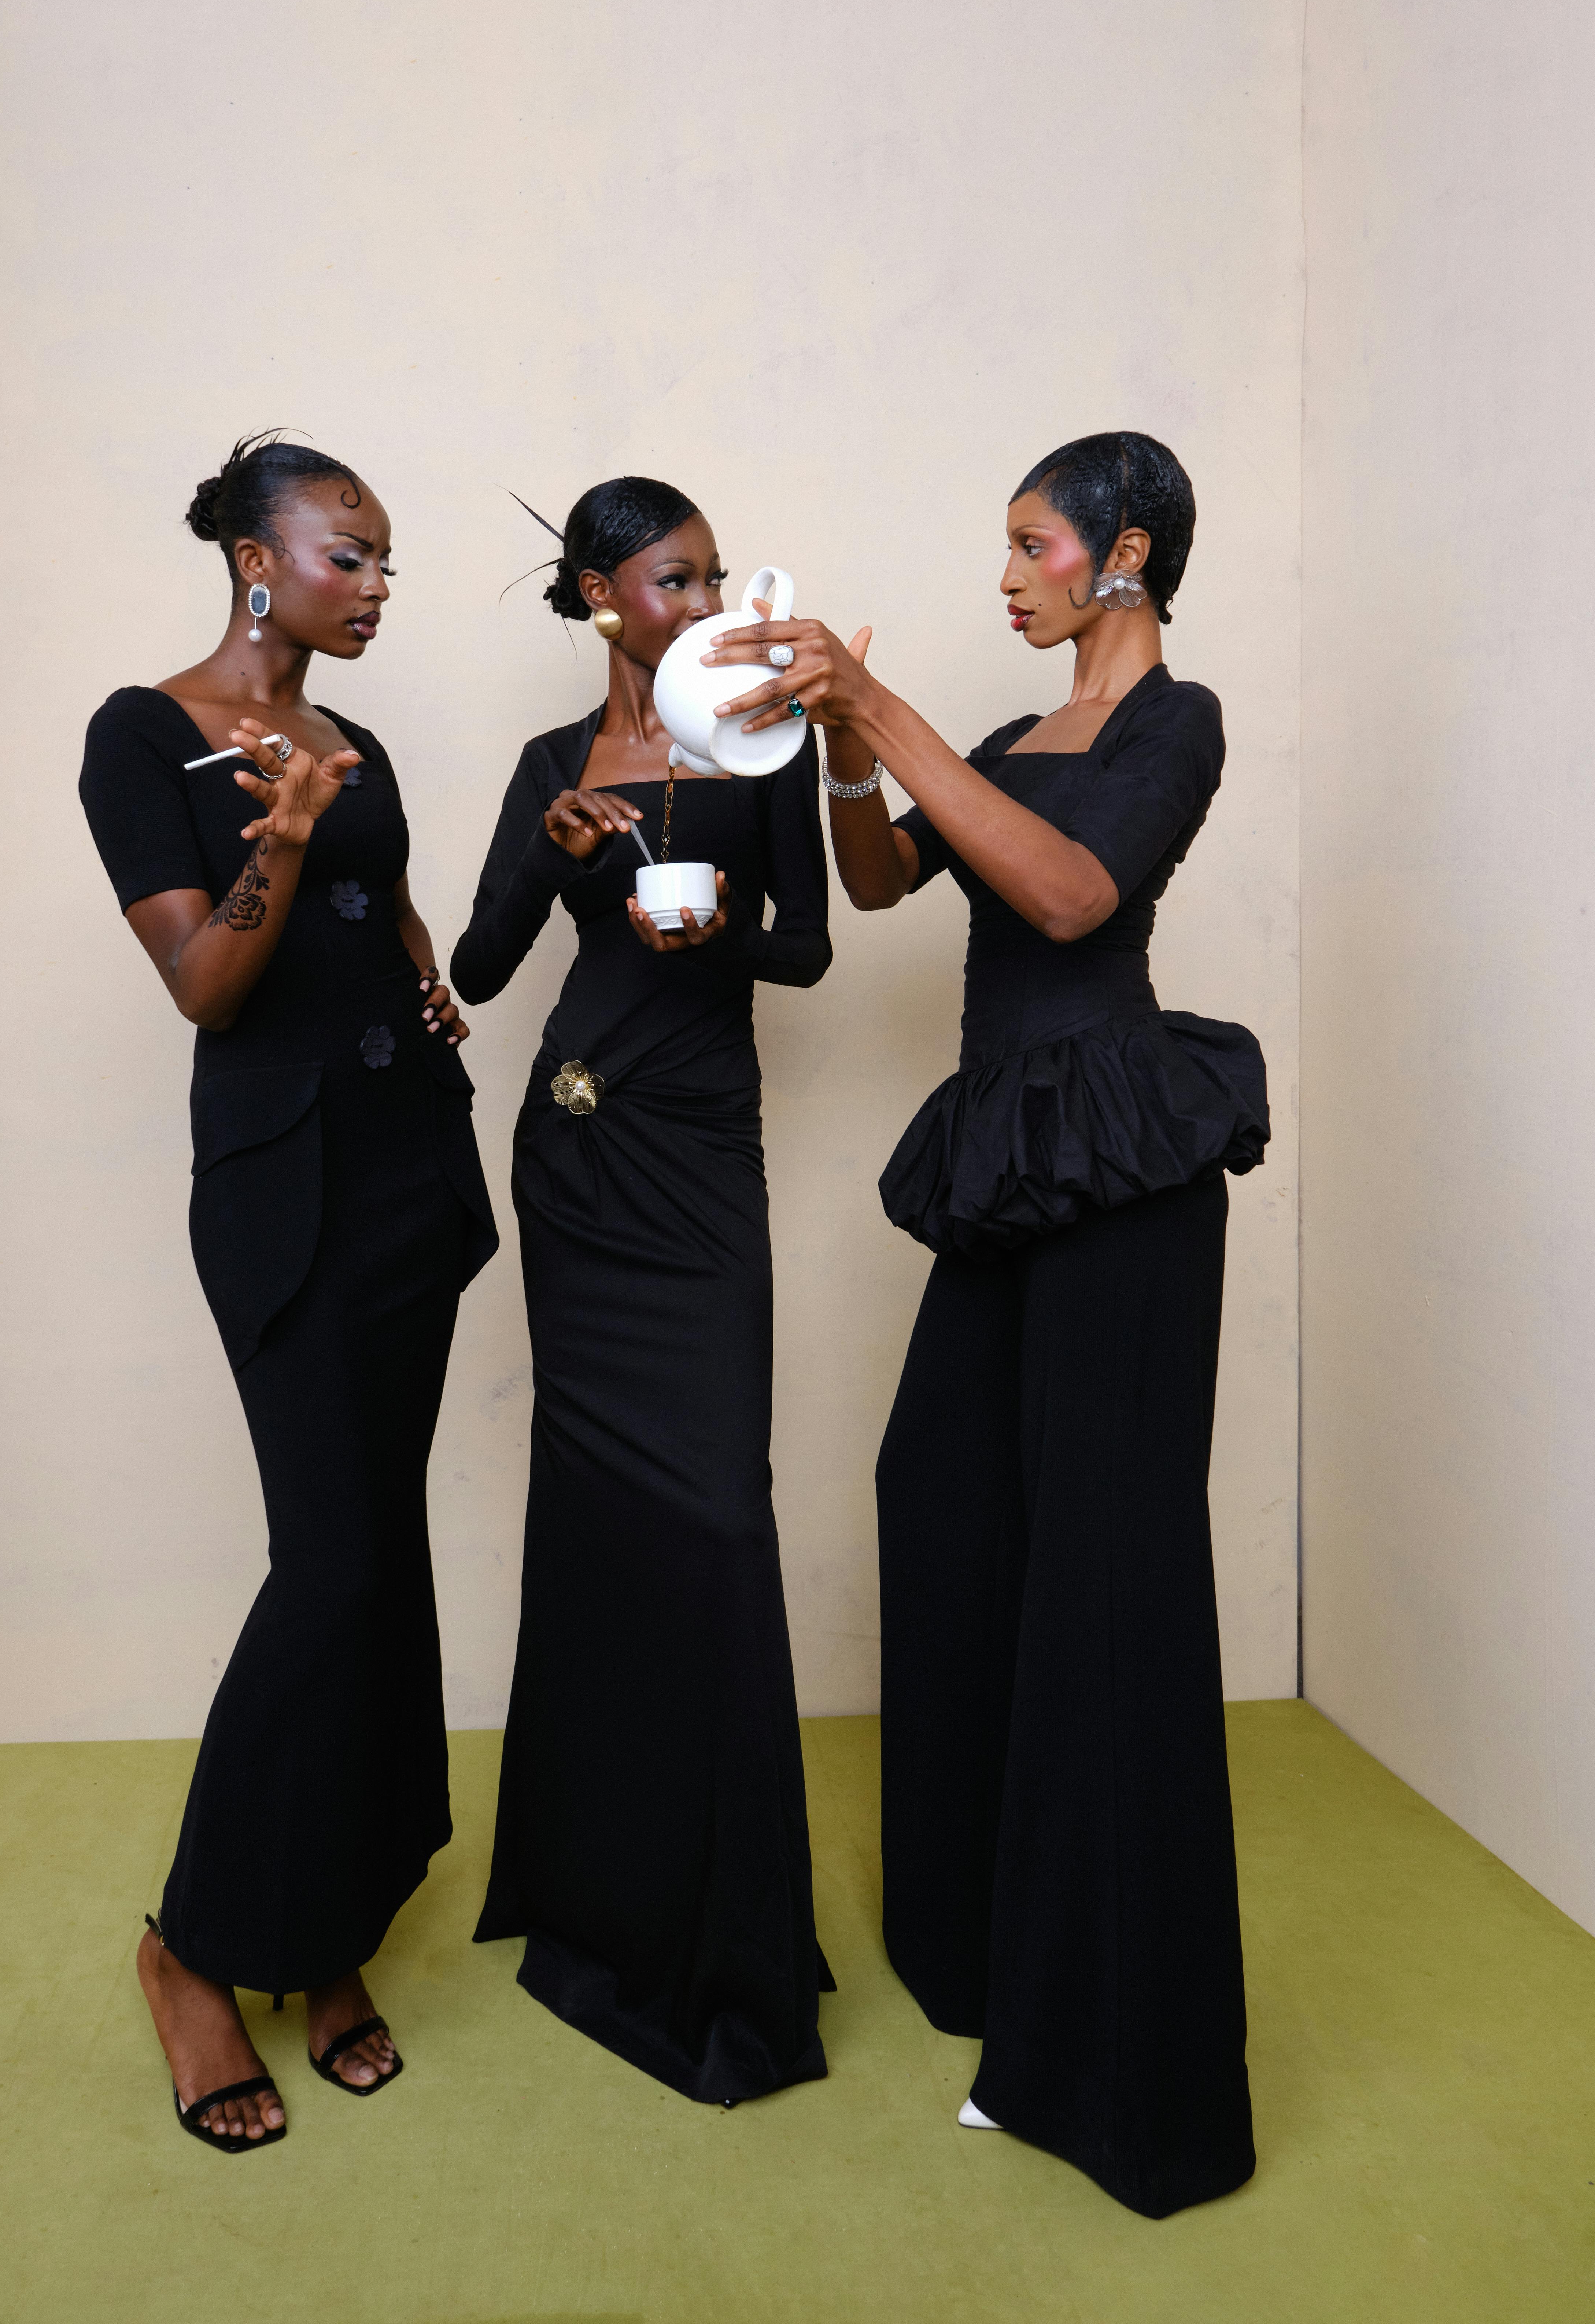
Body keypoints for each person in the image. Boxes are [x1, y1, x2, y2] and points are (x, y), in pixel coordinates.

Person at [709, 432, 1268, 2216]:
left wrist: (879, 700)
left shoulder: (1176, 721)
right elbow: (887, 881)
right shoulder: (1015, 733)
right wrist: (844, 752)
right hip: (1018, 1167)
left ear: (1126, 554)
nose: (1009, 576)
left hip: (1125, 1169)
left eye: (1034, 546)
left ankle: (1113, 2073)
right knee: (944, 1507)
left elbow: (1071, 895)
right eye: (1008, 548)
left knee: (1105, 1593)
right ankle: (982, 1955)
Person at [79, 433, 497, 2152]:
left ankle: (331, 1925)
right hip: (290, 1192)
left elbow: (379, 903)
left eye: (388, 560)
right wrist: (287, 844)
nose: (377, 585)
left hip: (411, 1170)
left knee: (381, 1554)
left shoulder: (355, 740)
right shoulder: (144, 733)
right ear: (259, 561)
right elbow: (207, 984)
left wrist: (423, 972)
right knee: (331, 1567)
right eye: (351, 554)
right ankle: (191, 1949)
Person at [451, 476, 834, 2104]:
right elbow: (477, 969)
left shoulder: (766, 740)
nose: (706, 604)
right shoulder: (553, 763)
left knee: (720, 1516)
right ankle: (596, 1884)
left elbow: (809, 950)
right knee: (601, 1515)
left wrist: (724, 924)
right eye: (674, 581)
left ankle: (727, 1932)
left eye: (713, 576)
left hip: (699, 1160)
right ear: (603, 598)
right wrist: (546, 859)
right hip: (575, 1152)